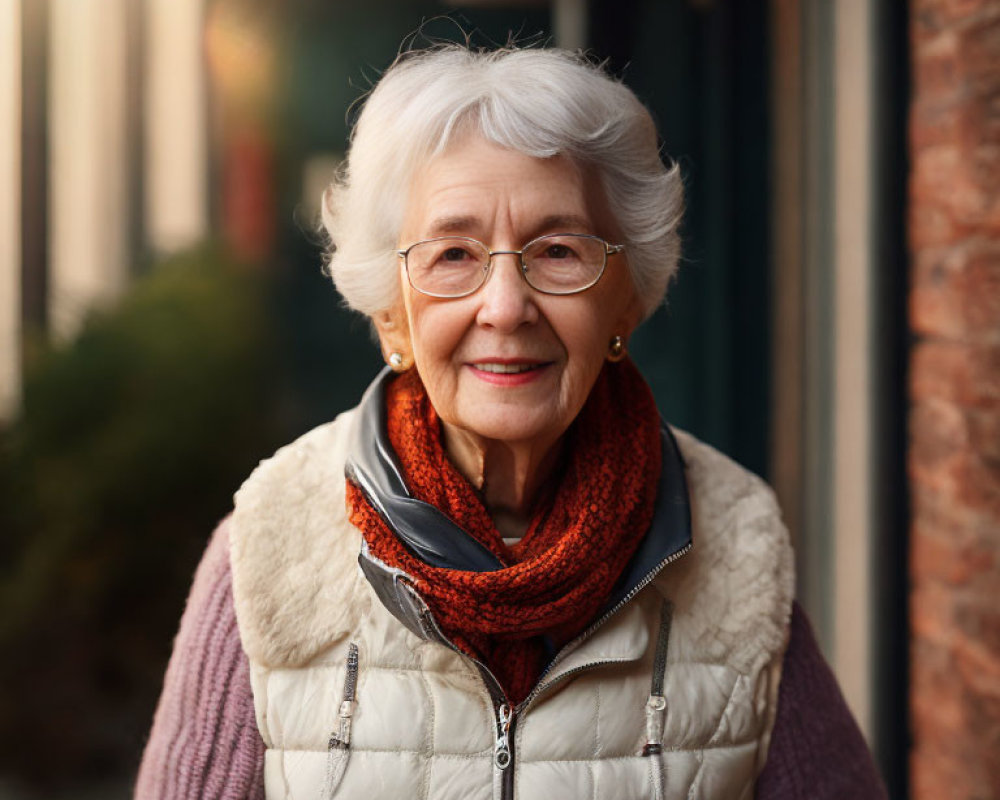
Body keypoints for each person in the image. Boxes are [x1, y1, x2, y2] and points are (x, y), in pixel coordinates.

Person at [135, 45, 886, 799]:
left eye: (558, 251)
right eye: (454, 253)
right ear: (392, 312)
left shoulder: (737, 546)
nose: (504, 306)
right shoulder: (272, 546)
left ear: (626, 299)